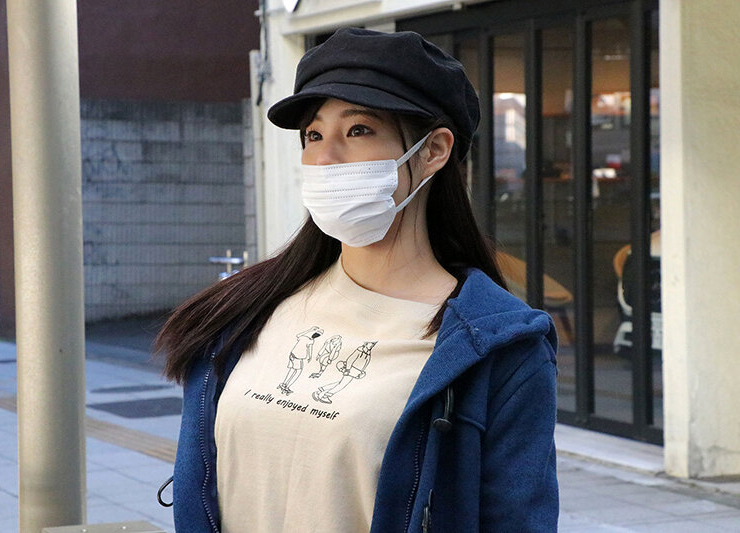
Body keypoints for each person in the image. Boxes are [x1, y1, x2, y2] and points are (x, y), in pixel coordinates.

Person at [156, 27, 559, 533]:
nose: (324, 158)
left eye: (358, 130)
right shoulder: (244, 312)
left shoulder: (499, 348)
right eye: (313, 135)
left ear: (433, 151)